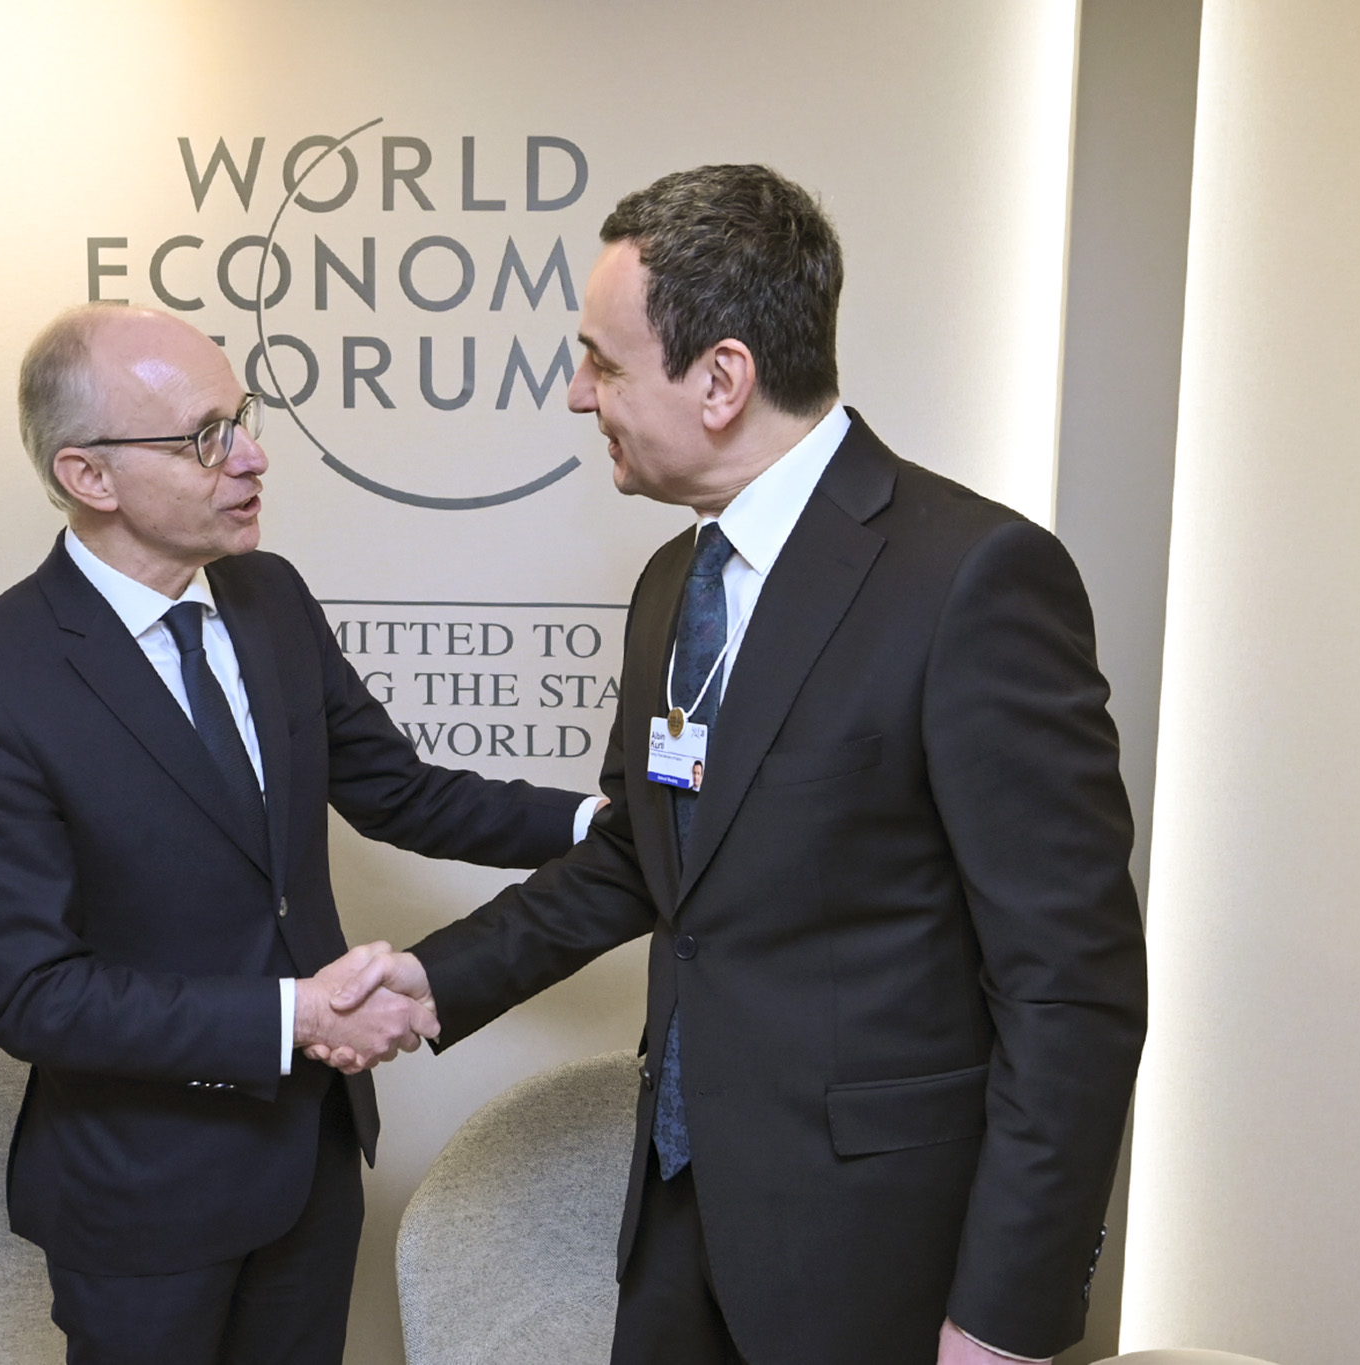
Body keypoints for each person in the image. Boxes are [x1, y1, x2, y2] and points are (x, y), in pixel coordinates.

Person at [324, 166, 1149, 1364]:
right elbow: (641, 859)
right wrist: (427, 983)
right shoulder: (674, 583)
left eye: (602, 364)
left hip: (876, 1256)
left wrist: (1006, 1316)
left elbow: (1070, 984)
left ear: (719, 379)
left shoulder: (969, 580)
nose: (577, 394)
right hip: (678, 1221)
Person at [0, 303, 597, 1365]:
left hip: (308, 1156)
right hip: (142, 1200)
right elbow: (34, 994)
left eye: (242, 418)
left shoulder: (268, 597)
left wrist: (603, 823)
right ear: (88, 475)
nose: (250, 456)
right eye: (204, 437)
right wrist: (296, 1014)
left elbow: (402, 793)